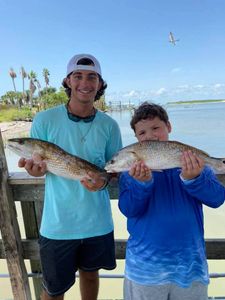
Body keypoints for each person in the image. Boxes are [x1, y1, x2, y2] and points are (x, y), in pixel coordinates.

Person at [18, 53, 122, 300]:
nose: (85, 83)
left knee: (90, 276)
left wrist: (103, 181)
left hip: (98, 222)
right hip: (57, 225)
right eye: (78, 76)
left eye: (92, 77)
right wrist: (34, 172)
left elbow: (114, 172)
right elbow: (37, 165)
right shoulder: (44, 120)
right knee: (53, 291)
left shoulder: (109, 125)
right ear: (67, 81)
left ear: (99, 83)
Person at [118, 102, 225, 300]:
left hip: (190, 267)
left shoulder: (190, 160)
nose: (150, 136)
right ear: (136, 140)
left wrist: (194, 179)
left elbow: (217, 198)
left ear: (169, 126)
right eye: (142, 133)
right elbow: (128, 209)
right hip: (145, 270)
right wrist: (142, 184)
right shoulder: (129, 172)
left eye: (156, 128)